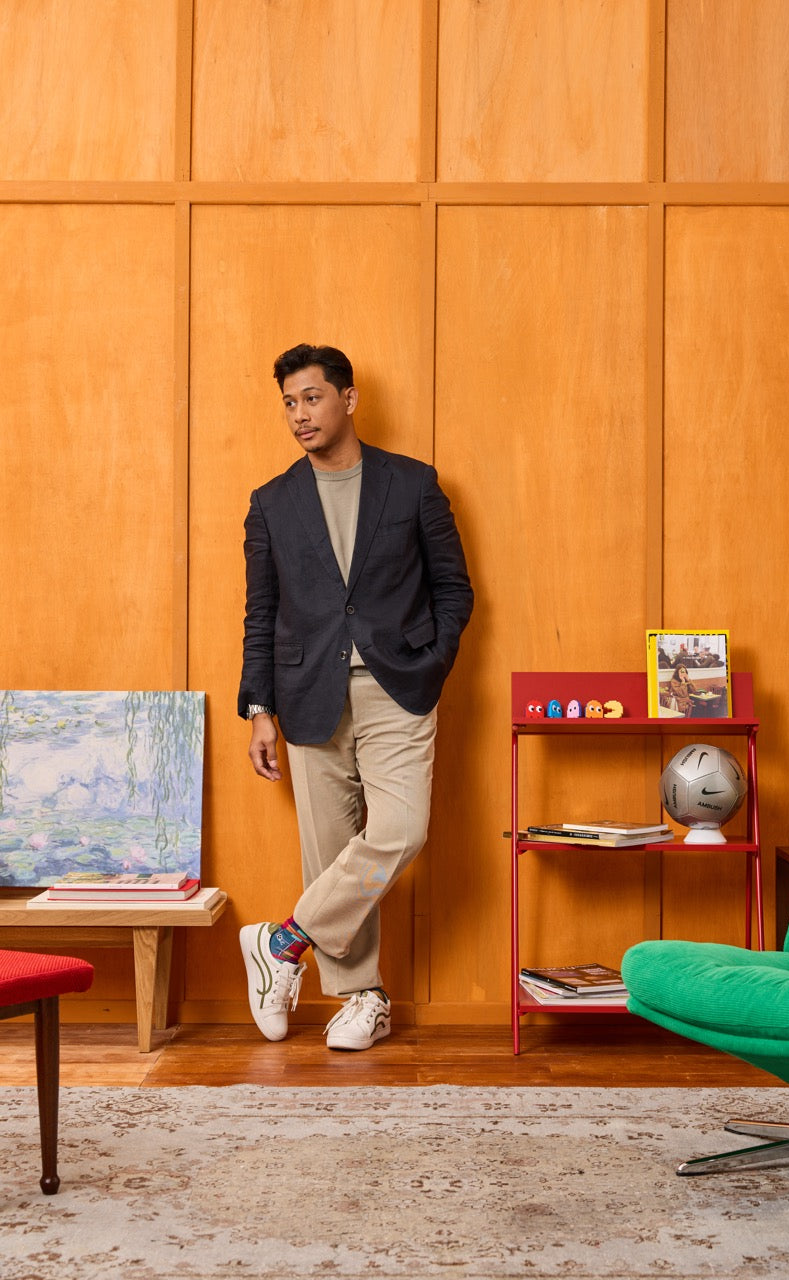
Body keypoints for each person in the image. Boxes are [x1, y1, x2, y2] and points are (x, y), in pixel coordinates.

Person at [237, 343, 473, 1051]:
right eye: (288, 403)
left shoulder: (413, 485)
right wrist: (259, 709)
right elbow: (260, 612)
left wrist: (432, 661)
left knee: (402, 830)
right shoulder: (271, 503)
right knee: (332, 853)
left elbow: (454, 589)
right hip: (306, 692)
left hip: (397, 689)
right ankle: (362, 998)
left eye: (311, 398)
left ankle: (282, 941)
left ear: (348, 399)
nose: (299, 415)